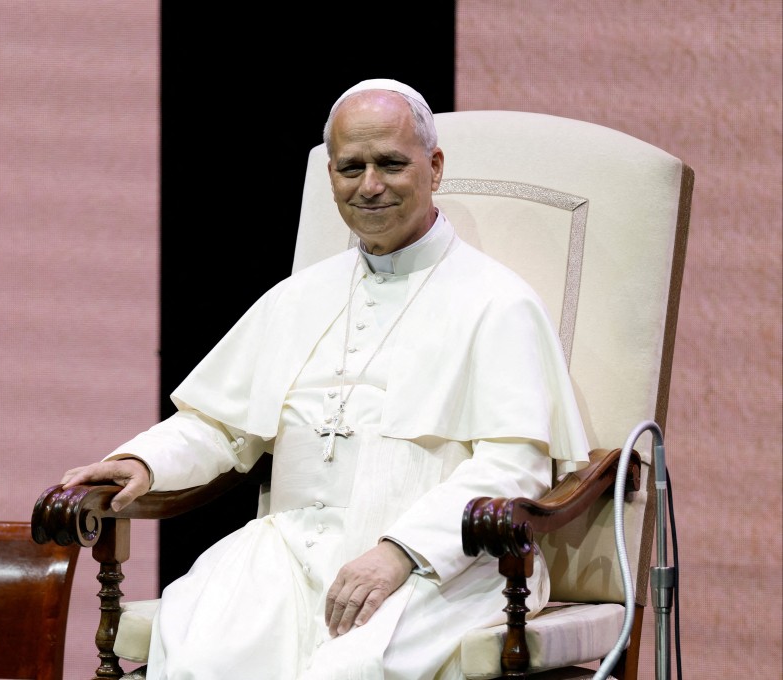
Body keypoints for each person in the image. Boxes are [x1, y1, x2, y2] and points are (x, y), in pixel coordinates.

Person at [61, 78, 591, 680]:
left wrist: (400, 551)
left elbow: (512, 465)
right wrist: (145, 463)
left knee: (344, 671)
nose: (370, 185)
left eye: (390, 163)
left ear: (435, 166)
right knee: (204, 658)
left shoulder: (498, 303)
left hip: (441, 570)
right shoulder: (297, 299)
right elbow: (219, 429)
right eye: (351, 167)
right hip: (285, 555)